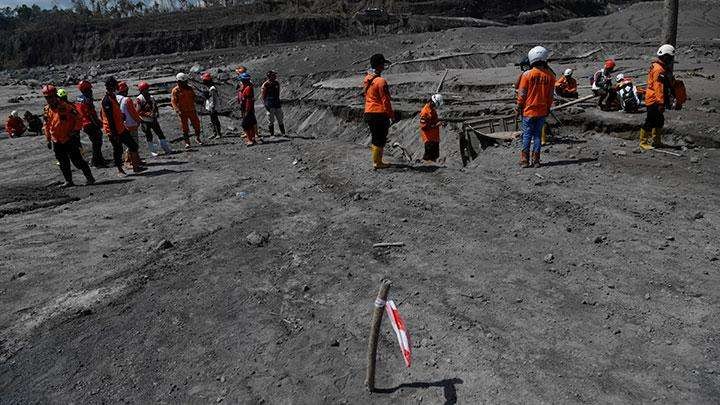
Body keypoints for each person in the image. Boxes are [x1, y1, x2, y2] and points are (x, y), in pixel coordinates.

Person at [41, 84, 95, 187]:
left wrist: (75, 131)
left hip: (69, 139)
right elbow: (46, 125)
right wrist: (48, 139)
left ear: (55, 95)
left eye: (51, 97)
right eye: (47, 97)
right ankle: (68, 181)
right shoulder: (47, 110)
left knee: (77, 161)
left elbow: (79, 118)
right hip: (56, 140)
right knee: (62, 162)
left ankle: (90, 178)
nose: (49, 99)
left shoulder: (65, 106)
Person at [516, 46, 555, 168]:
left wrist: (518, 107)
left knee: (527, 134)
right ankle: (536, 161)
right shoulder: (550, 76)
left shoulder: (527, 75)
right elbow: (550, 96)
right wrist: (548, 108)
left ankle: (524, 160)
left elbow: (522, 94)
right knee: (537, 135)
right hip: (542, 111)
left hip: (528, 110)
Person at [640, 44, 683, 150]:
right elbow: (658, 87)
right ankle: (643, 142)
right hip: (654, 99)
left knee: (659, 120)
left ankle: (656, 141)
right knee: (650, 120)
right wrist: (660, 103)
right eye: (670, 57)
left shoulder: (658, 66)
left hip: (655, 98)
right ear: (666, 56)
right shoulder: (659, 70)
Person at [100, 77, 145, 175]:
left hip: (120, 127)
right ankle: (120, 170)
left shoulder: (113, 97)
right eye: (115, 85)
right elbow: (110, 118)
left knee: (133, 145)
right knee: (118, 149)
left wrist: (121, 116)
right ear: (112, 86)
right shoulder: (107, 100)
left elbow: (116, 112)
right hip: (113, 130)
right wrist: (114, 133)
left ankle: (135, 167)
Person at [364, 53, 395, 169]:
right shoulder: (381, 82)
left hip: (368, 112)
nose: (384, 66)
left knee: (375, 137)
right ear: (379, 65)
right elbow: (385, 101)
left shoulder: (367, 78)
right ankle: (377, 163)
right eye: (382, 64)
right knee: (380, 138)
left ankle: (377, 161)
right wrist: (391, 115)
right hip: (379, 113)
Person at [75, 80, 108, 167]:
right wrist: (98, 123)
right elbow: (91, 114)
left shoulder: (79, 99)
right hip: (90, 124)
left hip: (84, 124)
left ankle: (99, 159)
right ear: (86, 89)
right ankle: (96, 161)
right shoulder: (87, 100)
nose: (91, 91)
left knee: (96, 141)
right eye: (89, 89)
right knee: (97, 142)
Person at [136, 81, 173, 155]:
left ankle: (166, 149)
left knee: (160, 133)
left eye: (147, 89)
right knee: (149, 135)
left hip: (153, 119)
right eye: (145, 89)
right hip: (144, 120)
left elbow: (155, 106)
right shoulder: (139, 99)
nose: (147, 91)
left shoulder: (151, 97)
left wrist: (156, 113)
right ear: (141, 90)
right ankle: (153, 151)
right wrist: (148, 114)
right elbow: (138, 111)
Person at [171, 72, 202, 148]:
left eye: (185, 82)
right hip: (182, 112)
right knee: (185, 128)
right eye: (183, 82)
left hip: (191, 110)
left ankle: (198, 138)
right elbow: (173, 102)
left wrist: (198, 100)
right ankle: (187, 142)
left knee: (197, 125)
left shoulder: (189, 88)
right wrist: (177, 110)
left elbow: (194, 97)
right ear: (178, 82)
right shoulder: (175, 91)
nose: (184, 83)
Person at [116, 81, 144, 165]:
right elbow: (133, 113)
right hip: (131, 124)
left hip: (122, 125)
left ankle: (133, 159)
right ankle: (132, 161)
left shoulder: (115, 98)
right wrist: (138, 120)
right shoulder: (127, 100)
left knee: (129, 143)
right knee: (133, 144)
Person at [419, 94, 445, 163]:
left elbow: (434, 120)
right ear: (432, 102)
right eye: (435, 105)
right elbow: (424, 127)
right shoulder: (425, 112)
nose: (435, 107)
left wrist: (439, 122)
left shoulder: (432, 110)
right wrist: (436, 125)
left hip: (434, 137)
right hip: (429, 138)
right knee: (428, 158)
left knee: (435, 156)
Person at [261, 70, 286, 137]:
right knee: (271, 120)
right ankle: (272, 134)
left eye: (275, 75)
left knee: (280, 119)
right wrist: (266, 105)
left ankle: (283, 133)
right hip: (270, 105)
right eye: (273, 75)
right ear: (269, 76)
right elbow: (263, 97)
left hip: (277, 104)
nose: (275, 76)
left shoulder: (276, 83)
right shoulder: (266, 85)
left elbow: (277, 94)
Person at [239, 72, 258, 146]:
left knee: (246, 124)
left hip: (248, 109)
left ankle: (250, 139)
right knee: (251, 124)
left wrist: (247, 110)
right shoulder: (247, 87)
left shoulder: (248, 88)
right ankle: (252, 138)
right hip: (248, 109)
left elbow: (249, 100)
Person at [201, 73, 222, 139]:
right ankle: (214, 133)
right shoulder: (208, 87)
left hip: (213, 106)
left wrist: (213, 107)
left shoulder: (212, 88)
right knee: (212, 120)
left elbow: (214, 98)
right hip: (209, 105)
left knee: (215, 120)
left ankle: (218, 133)